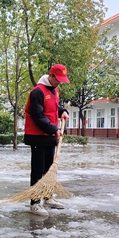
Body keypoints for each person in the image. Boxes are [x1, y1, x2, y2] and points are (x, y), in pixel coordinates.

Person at [23, 64, 70, 217]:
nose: (59, 83)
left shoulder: (55, 90)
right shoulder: (37, 92)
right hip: (37, 136)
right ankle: (35, 203)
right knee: (38, 170)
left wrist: (63, 111)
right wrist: (53, 129)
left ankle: (48, 197)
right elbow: (38, 115)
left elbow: (54, 108)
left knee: (49, 169)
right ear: (51, 76)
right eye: (58, 79)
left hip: (50, 136)